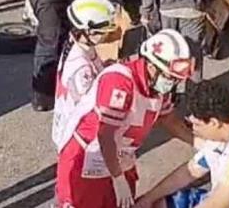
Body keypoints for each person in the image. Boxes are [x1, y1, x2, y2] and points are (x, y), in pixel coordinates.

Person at [55, 30, 196, 208]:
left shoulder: (158, 87)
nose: (173, 84)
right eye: (170, 77)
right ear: (152, 66)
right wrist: (118, 178)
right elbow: (105, 135)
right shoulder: (120, 81)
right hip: (87, 159)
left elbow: (169, 120)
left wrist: (200, 143)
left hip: (120, 157)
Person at [135, 80, 229, 208]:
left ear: (214, 123)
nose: (193, 130)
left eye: (196, 125)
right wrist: (148, 198)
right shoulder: (225, 136)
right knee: (159, 203)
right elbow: (190, 171)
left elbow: (216, 203)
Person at [52, 0, 118, 151]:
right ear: (89, 32)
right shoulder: (81, 69)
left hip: (65, 124)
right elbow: (93, 105)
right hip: (79, 137)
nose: (106, 35)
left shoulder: (77, 44)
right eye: (103, 32)